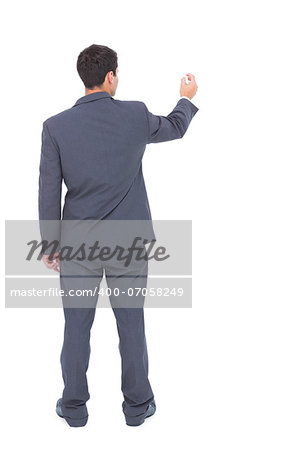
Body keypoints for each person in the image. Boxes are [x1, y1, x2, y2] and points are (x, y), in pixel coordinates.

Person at [38, 44, 198, 427]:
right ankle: (137, 407)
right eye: (118, 73)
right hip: (129, 244)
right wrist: (185, 98)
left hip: (77, 246)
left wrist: (50, 242)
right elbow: (175, 128)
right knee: (131, 322)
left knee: (76, 326)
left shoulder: (55, 126)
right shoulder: (134, 115)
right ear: (110, 77)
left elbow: (49, 189)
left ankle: (74, 409)